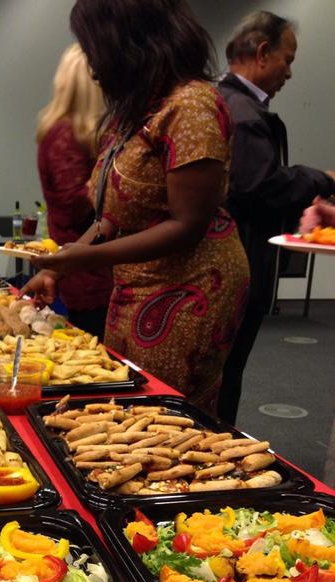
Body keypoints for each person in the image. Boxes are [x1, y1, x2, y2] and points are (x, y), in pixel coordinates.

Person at [22, 0, 249, 414]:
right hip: (136, 284)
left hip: (190, 285)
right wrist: (58, 267)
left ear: (129, 44)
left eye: (95, 51)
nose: (93, 68)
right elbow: (114, 215)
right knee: (124, 402)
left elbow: (187, 224)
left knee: (162, 414)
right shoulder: (138, 110)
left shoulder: (191, 105)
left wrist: (85, 257)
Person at [217, 11, 335, 424]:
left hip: (229, 262)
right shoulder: (244, 113)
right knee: (224, 379)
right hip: (239, 263)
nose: (289, 72)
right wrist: (322, 178)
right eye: (288, 59)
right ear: (263, 53)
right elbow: (260, 188)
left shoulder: (228, 103)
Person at [36, 44, 112, 339]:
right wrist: (110, 186)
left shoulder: (69, 132)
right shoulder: (67, 134)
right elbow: (72, 203)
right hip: (85, 270)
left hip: (84, 263)